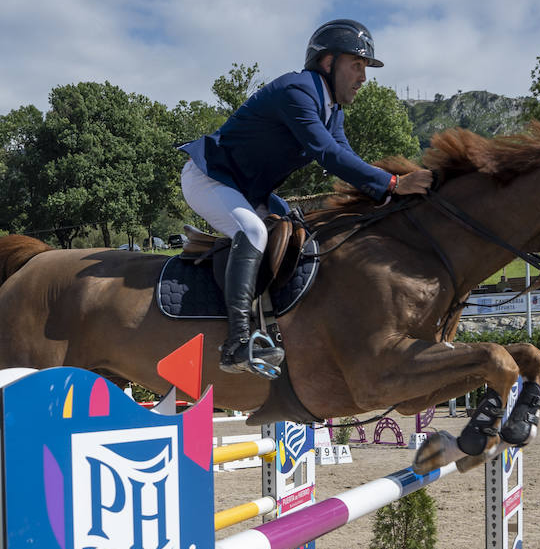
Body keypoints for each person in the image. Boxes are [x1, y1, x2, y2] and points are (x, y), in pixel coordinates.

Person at [178, 19, 435, 376]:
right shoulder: (297, 90)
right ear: (328, 63)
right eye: (357, 65)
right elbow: (327, 154)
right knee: (252, 231)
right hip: (208, 177)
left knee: (300, 230)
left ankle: (275, 326)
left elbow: (349, 160)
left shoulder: (333, 113)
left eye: (364, 69)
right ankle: (236, 345)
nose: (363, 77)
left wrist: (391, 196)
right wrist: (393, 183)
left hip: (245, 189)